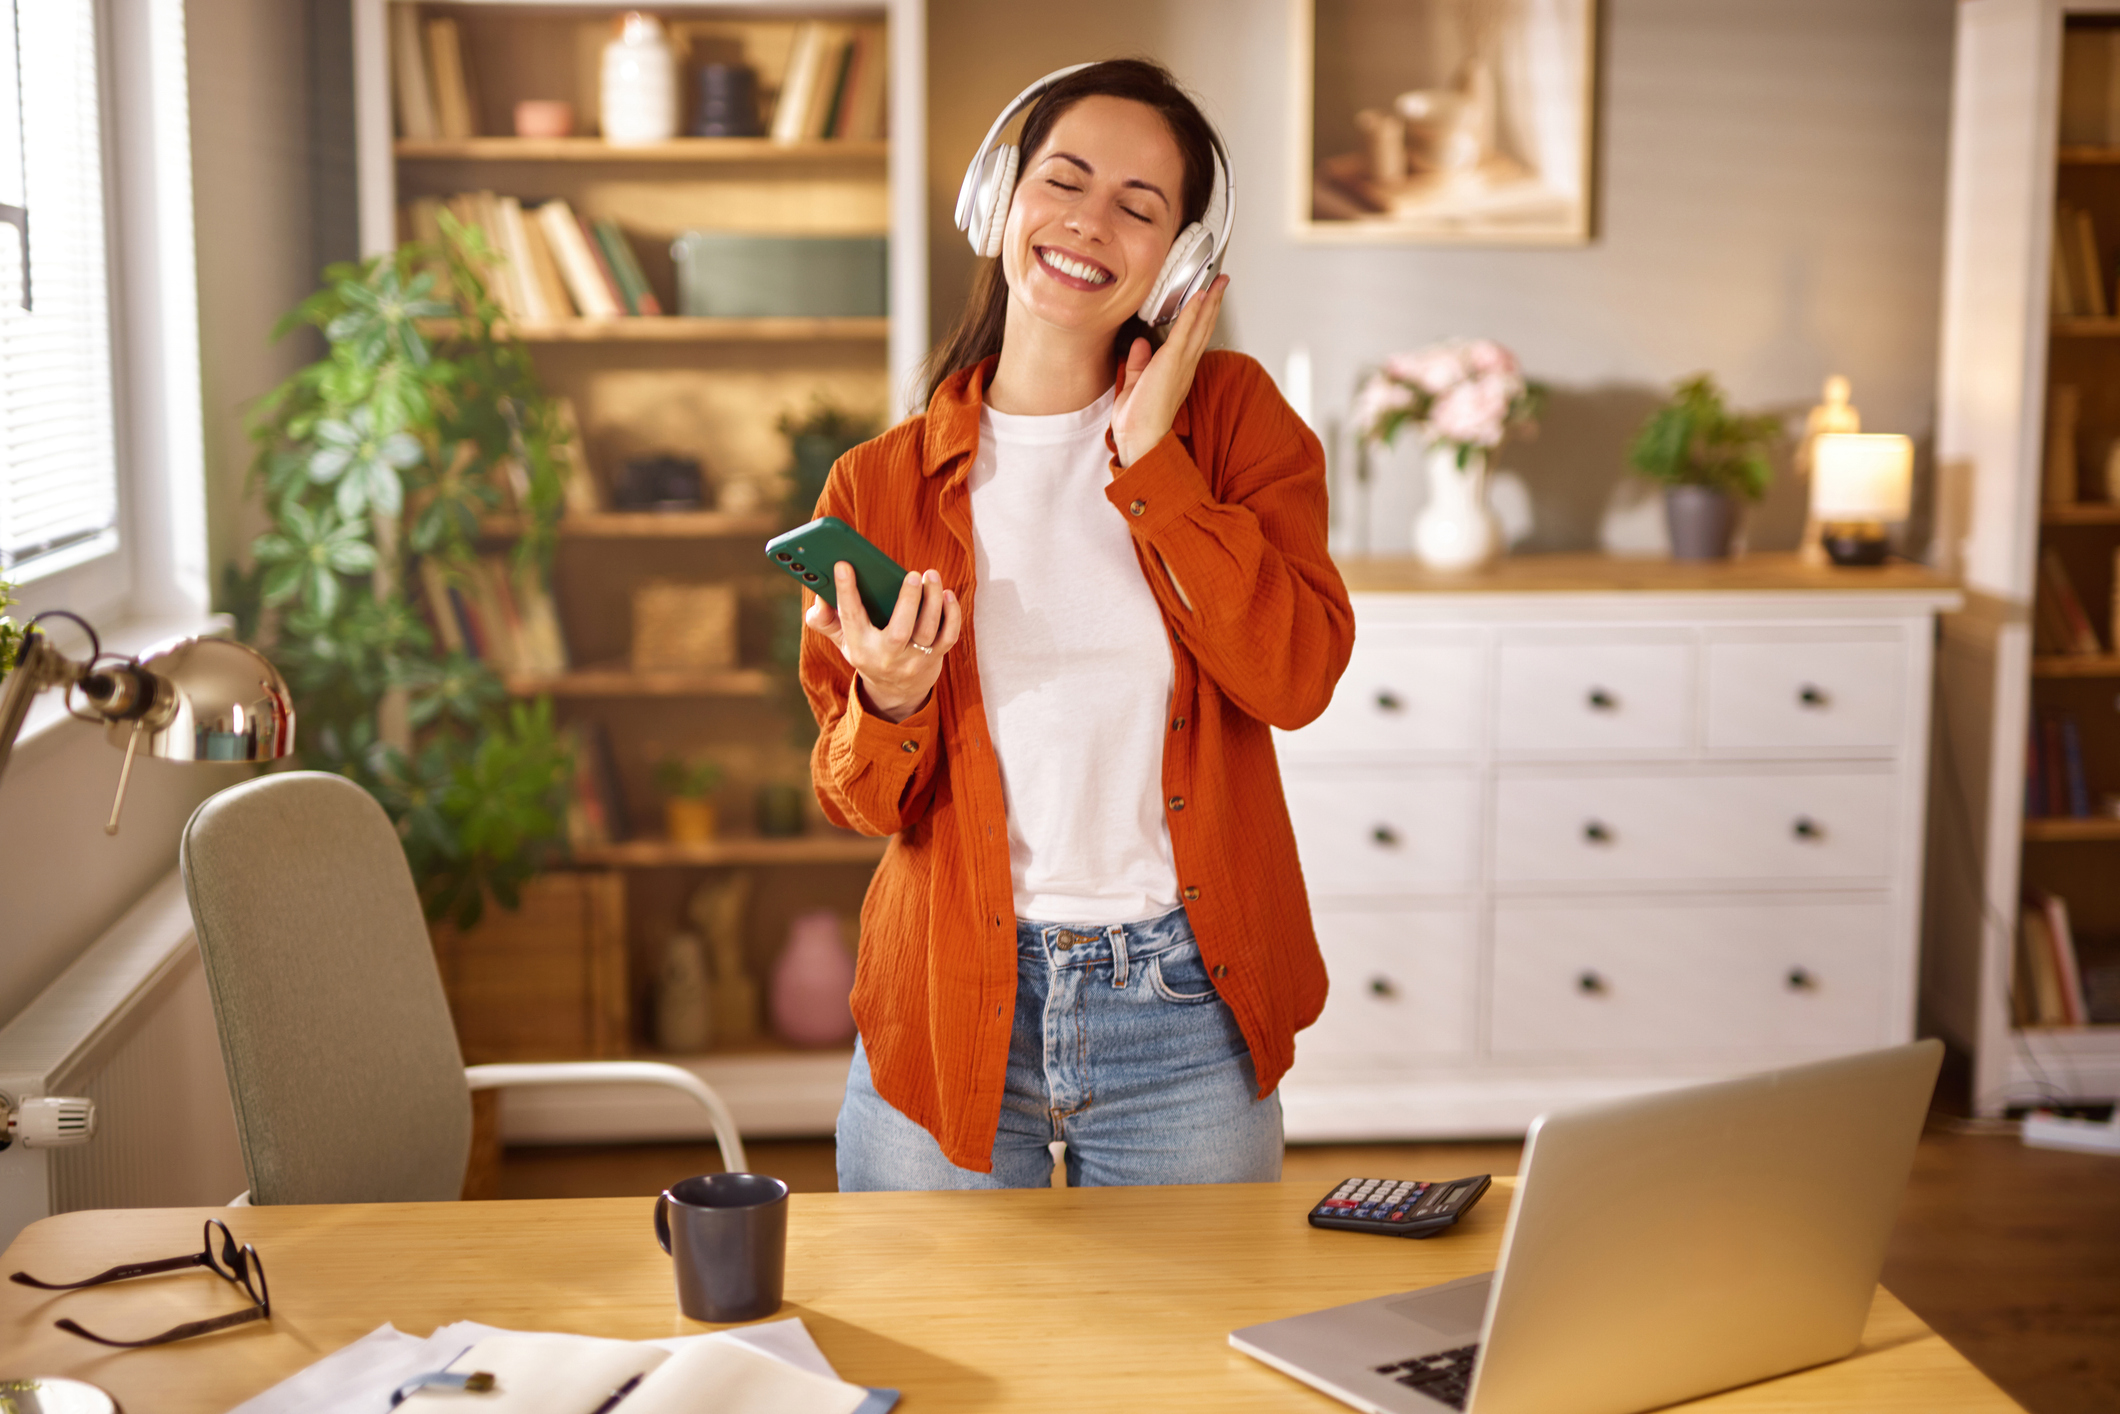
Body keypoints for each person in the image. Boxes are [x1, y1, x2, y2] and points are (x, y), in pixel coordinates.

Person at [799, 58, 1353, 1189]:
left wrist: (1153, 464)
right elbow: (856, 800)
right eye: (1065, 179)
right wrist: (890, 696)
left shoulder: (1235, 424)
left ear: (1180, 260)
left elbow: (1293, 678)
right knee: (937, 1354)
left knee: (1183, 1362)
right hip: (949, 996)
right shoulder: (876, 485)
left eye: (1138, 206)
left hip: (1182, 1012)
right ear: (998, 198)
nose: (1089, 222)